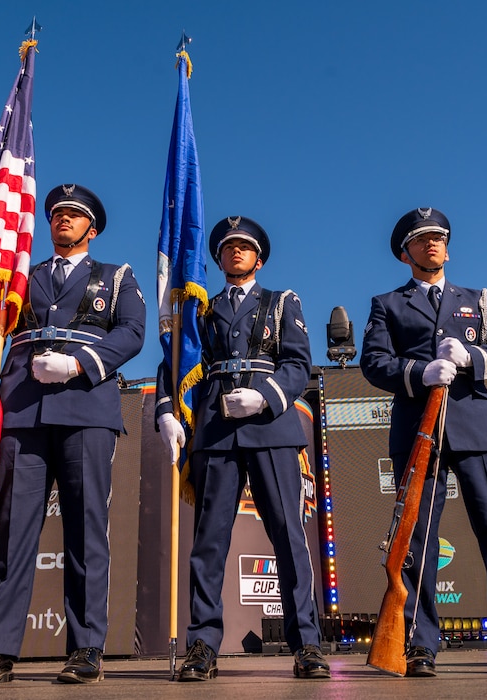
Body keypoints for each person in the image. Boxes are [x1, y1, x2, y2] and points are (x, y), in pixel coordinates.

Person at [0, 184, 145, 686]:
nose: (63, 219)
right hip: (22, 410)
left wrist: (80, 362)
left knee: (86, 532)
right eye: (58, 213)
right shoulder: (23, 276)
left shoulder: (117, 276)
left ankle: (85, 648)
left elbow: (131, 332)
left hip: (85, 406)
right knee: (13, 534)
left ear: (93, 228)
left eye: (75, 215)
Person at [360, 207, 487, 677]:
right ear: (404, 253)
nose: (432, 244)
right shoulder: (387, 304)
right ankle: (416, 644)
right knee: (415, 539)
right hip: (417, 428)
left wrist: (471, 356)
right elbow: (373, 361)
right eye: (421, 239)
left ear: (448, 247)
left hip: (475, 427)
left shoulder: (479, 299)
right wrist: (417, 372)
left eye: (438, 238)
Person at [156, 217, 329, 681]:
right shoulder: (203, 310)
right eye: (228, 247)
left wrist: (267, 395)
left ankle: (307, 644)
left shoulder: (280, 302)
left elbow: (298, 363)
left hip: (271, 427)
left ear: (259, 258)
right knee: (208, 545)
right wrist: (166, 410)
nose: (235, 253)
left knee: (290, 539)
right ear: (217, 258)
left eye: (244, 247)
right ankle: (202, 644)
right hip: (216, 430)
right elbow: (175, 360)